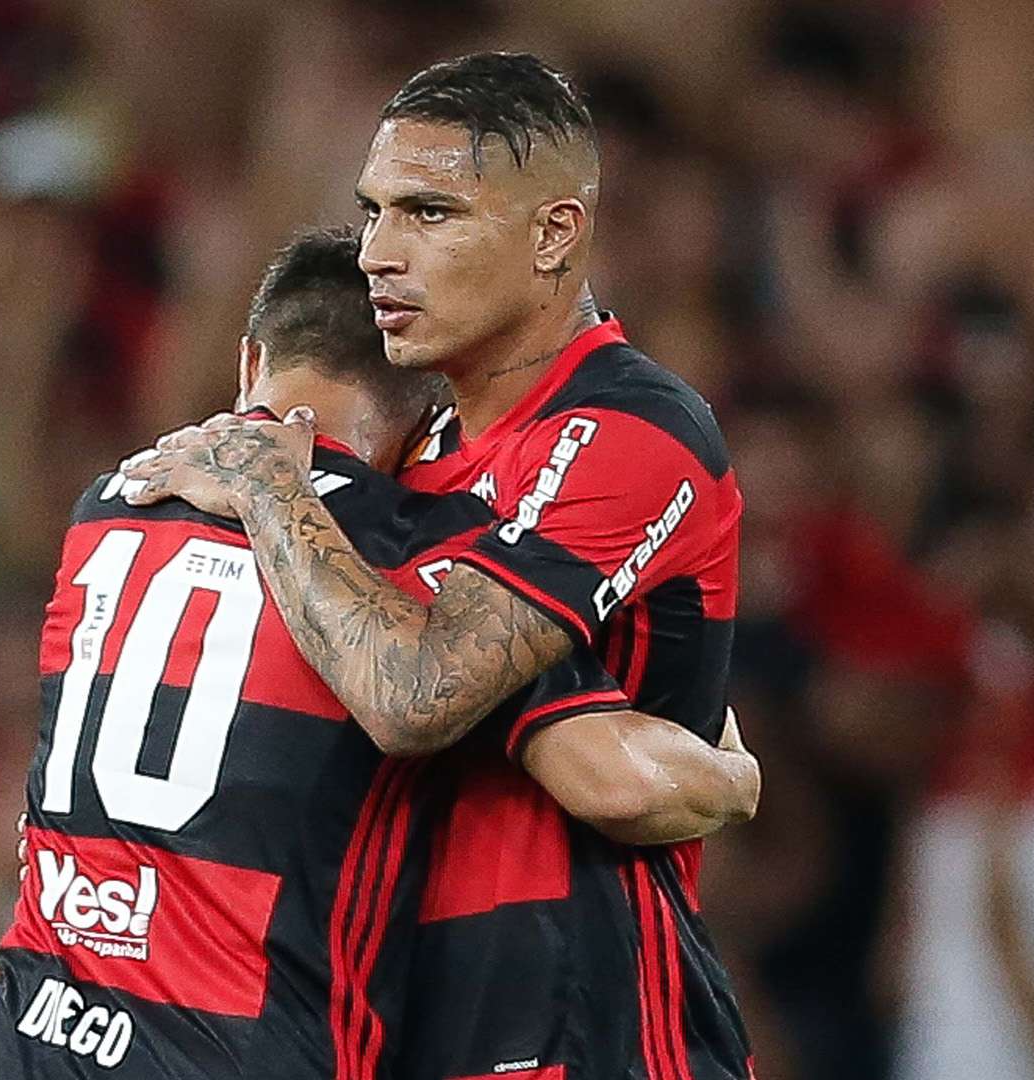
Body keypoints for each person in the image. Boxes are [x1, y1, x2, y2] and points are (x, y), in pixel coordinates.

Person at [0, 227, 759, 1079]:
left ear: (249, 363)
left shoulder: (111, 503)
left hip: (32, 1033)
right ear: (429, 417)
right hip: (236, 1050)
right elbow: (619, 783)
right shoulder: (410, 552)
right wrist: (734, 777)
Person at [122, 53, 752, 1079]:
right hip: (394, 1017)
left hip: (579, 1024)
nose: (377, 254)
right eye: (373, 212)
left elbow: (412, 693)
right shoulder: (410, 453)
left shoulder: (631, 430)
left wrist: (276, 492)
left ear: (555, 235)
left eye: (430, 214)